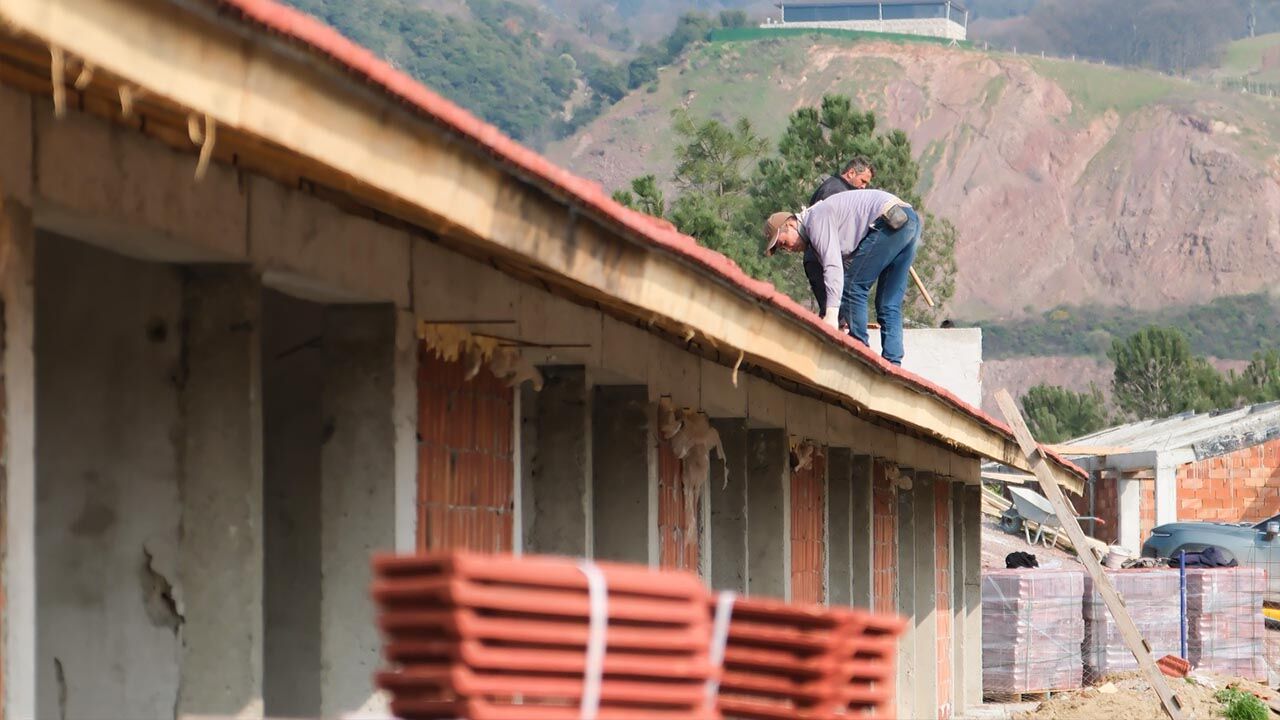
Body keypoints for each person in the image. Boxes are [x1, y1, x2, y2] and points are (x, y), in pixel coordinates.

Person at [763, 189, 921, 365]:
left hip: (889, 221)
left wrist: (831, 314)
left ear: (791, 225)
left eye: (784, 243)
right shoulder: (819, 226)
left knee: (852, 286)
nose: (788, 249)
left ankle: (860, 355)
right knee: (888, 303)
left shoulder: (816, 219)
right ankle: (893, 363)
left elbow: (834, 267)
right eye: (783, 249)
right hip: (908, 219)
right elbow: (847, 265)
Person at [804, 158, 874, 319]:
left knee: (838, 309)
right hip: (821, 258)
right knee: (834, 309)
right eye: (862, 181)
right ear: (851, 173)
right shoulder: (834, 191)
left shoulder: (845, 191)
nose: (864, 186)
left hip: (829, 257)